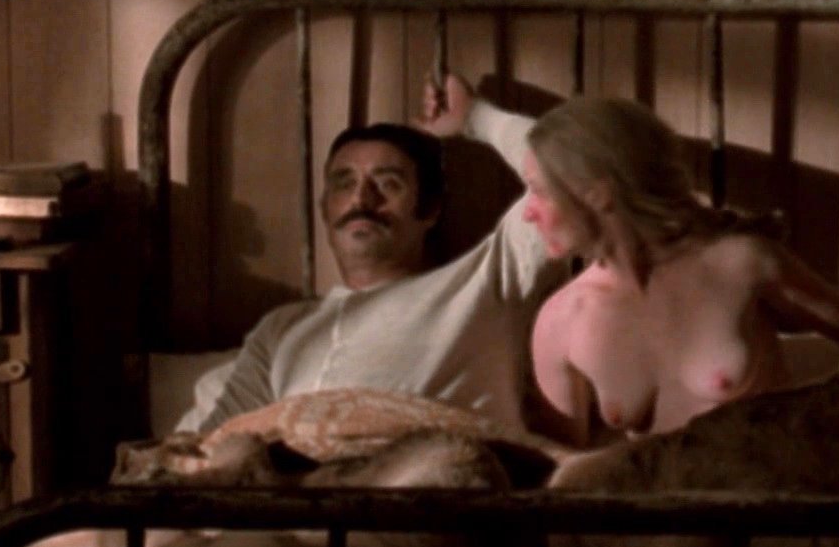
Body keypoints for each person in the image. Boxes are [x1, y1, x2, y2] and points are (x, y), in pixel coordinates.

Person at [183, 83, 567, 436]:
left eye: (387, 183)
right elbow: (215, 442)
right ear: (324, 208)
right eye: (344, 183)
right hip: (301, 486)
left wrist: (475, 117)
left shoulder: (485, 282)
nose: (361, 199)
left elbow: (569, 174)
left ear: (430, 209)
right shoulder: (283, 328)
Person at [515, 95, 839, 441]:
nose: (527, 213)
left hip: (770, 480)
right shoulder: (559, 322)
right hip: (659, 488)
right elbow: (559, 463)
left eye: (538, 190)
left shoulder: (740, 264)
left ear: (598, 192)